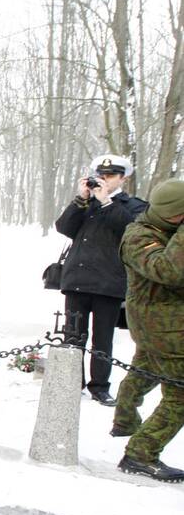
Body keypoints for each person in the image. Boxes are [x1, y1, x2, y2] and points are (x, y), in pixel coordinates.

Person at [54, 155, 147, 406]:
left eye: (110, 176)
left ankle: (100, 386)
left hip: (108, 282)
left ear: (123, 178)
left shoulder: (132, 205)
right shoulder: (88, 203)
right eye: (101, 175)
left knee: (102, 338)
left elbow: (132, 230)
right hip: (77, 278)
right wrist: (81, 198)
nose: (104, 180)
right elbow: (64, 227)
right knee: (73, 335)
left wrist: (106, 201)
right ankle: (73, 381)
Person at [111, 178, 184, 482]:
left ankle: (125, 421)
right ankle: (141, 453)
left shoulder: (165, 230)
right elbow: (169, 271)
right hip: (162, 326)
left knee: (143, 371)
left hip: (163, 325)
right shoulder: (139, 236)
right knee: (180, 395)